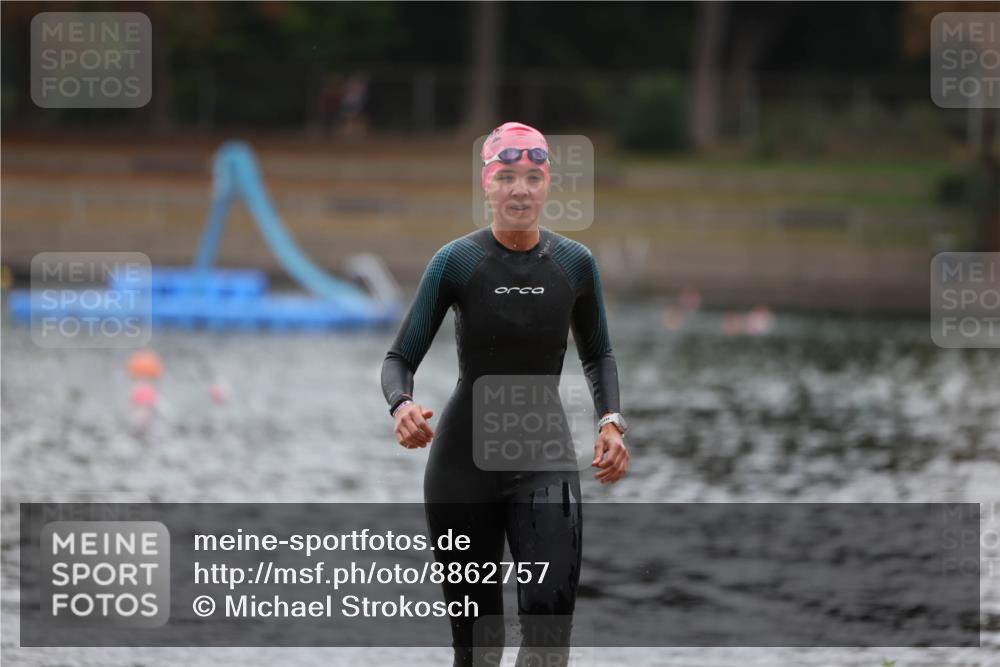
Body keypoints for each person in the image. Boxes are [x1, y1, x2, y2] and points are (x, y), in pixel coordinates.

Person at [381, 122, 628, 666]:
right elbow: (399, 359)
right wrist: (401, 406)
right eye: (507, 176)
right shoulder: (457, 262)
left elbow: (598, 353)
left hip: (544, 459)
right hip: (461, 468)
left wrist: (611, 420)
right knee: (479, 650)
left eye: (533, 177)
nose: (521, 189)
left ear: (547, 187)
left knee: (548, 639)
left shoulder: (574, 265)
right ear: (487, 186)